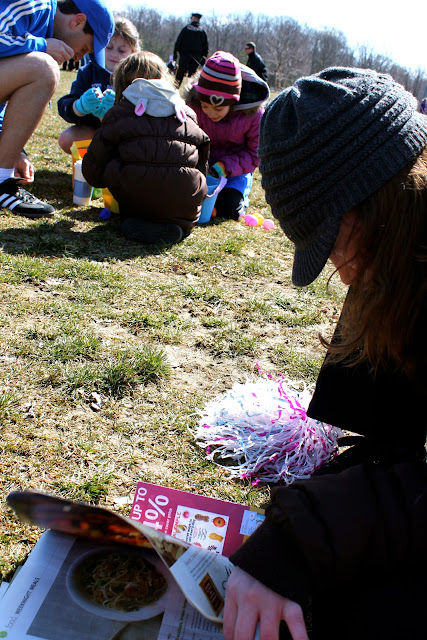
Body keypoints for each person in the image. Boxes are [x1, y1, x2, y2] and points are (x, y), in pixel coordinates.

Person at [223, 67, 427, 640]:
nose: (340, 271)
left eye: (330, 243)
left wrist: (302, 535)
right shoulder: (398, 268)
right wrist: (309, 513)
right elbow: (393, 445)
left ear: (374, 206)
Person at [82, 51, 210, 245]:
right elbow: (203, 155)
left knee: (116, 162)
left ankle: (136, 219)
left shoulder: (119, 113)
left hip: (135, 201)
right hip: (184, 205)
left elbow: (93, 171)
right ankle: (178, 224)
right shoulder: (187, 113)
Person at [0, 0, 114, 218]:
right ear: (78, 21)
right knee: (45, 69)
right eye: (84, 48)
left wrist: (13, 152)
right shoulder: (33, 4)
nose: (78, 57)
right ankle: (1, 184)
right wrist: (40, 45)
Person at [186, 50, 269, 220]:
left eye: (218, 109)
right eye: (205, 106)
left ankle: (240, 196)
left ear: (233, 103)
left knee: (229, 208)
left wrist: (224, 167)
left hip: (235, 171)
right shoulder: (193, 106)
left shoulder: (252, 116)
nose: (211, 113)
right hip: (201, 167)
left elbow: (254, 154)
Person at [58, 16, 140, 154]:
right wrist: (80, 106)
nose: (114, 54)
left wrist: (117, 113)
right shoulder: (87, 72)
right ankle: (96, 157)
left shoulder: (136, 77)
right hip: (93, 132)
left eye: (121, 50)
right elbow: (64, 106)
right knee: (67, 138)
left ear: (133, 52)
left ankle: (117, 159)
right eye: (109, 47)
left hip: (125, 136)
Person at [173, 13, 208, 87]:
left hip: (184, 56)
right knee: (193, 76)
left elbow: (179, 42)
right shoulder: (202, 32)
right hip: (196, 57)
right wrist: (203, 58)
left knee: (180, 74)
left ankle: (175, 88)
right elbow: (205, 47)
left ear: (193, 18)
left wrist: (175, 54)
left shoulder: (185, 29)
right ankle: (190, 90)